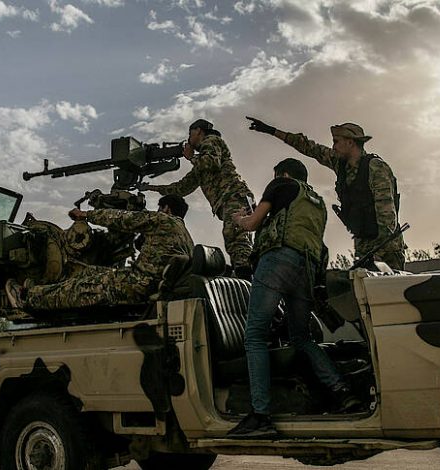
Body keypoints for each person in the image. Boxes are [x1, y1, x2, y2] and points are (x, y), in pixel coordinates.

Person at [227, 158, 361, 439]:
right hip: (307, 268)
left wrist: (239, 218)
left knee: (254, 336)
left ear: (284, 174)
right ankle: (343, 392)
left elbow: (252, 224)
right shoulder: (316, 202)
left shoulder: (281, 184)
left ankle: (260, 415)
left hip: (278, 261)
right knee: (302, 338)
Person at [246, 117, 406, 270]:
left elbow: (386, 216)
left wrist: (377, 253)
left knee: (387, 287)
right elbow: (310, 148)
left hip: (386, 249)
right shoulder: (340, 165)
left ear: (350, 142)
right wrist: (272, 131)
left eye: (337, 142)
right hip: (364, 246)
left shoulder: (375, 168)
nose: (333, 147)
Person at [5, 195, 194, 311]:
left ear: (167, 209)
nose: (157, 211)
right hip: (145, 283)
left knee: (80, 289)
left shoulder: (163, 220)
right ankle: (43, 288)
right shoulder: (185, 237)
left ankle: (26, 296)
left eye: (160, 208)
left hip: (138, 285)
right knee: (88, 272)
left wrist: (86, 215)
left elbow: (122, 219)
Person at [139, 119, 255, 279]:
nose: (188, 138)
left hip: (234, 196)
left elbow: (211, 163)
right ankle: (245, 275)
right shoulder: (200, 165)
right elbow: (181, 188)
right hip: (231, 199)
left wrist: (191, 157)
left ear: (198, 131)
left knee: (236, 237)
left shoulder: (212, 140)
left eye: (190, 134)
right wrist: (151, 188)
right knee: (234, 238)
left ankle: (246, 278)